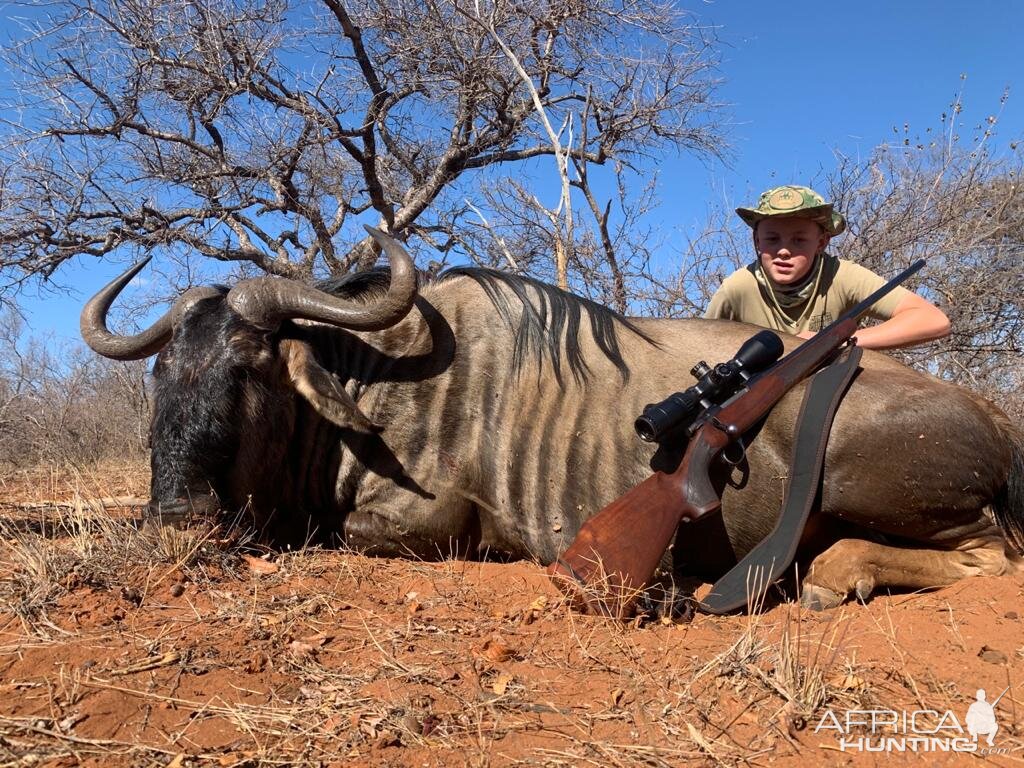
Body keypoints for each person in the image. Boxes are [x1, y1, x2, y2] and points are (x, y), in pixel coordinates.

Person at [704, 185, 950, 350]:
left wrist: (833, 341)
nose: (783, 251)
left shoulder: (842, 276)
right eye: (772, 239)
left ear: (822, 242)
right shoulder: (737, 287)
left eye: (799, 240)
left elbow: (933, 320)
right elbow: (700, 345)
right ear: (757, 241)